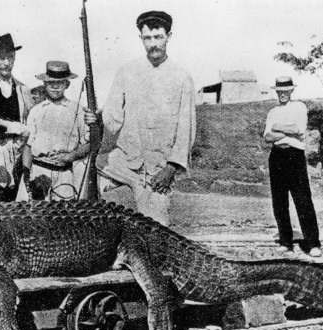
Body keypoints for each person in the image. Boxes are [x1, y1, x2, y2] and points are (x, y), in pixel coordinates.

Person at [84, 11, 196, 226]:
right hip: (123, 163)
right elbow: (112, 117)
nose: (153, 44)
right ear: (141, 39)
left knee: (156, 231)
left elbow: (186, 128)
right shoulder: (127, 72)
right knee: (84, 176)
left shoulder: (182, 76)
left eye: (158, 37)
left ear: (169, 36)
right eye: (147, 38)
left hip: (156, 172)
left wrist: (170, 169)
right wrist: (96, 118)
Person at [263, 76, 321, 257]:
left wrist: (277, 128)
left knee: (302, 199)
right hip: (277, 156)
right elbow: (267, 137)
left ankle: (312, 244)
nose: (282, 94)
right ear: (276, 92)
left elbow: (299, 130)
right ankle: (286, 241)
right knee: (279, 201)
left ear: (291, 91)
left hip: (294, 156)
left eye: (286, 91)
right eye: (280, 91)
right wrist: (283, 131)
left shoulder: (299, 107)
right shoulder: (272, 112)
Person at [18, 61, 89, 201]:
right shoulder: (36, 111)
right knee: (34, 214)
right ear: (44, 84)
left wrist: (72, 156)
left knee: (64, 215)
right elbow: (28, 146)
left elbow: (89, 144)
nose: (55, 87)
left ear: (67, 84)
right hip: (38, 171)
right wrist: (26, 175)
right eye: (51, 83)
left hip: (65, 174)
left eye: (60, 83)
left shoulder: (77, 110)